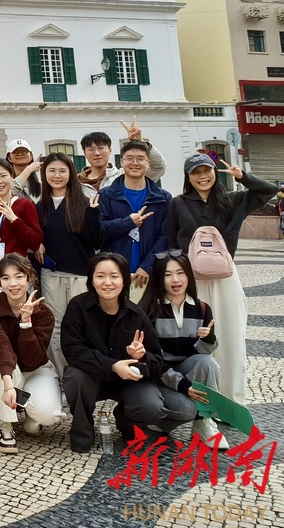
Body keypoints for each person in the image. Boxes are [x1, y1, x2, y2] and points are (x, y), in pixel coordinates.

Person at [165, 153, 278, 404]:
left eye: (207, 170)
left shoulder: (233, 200)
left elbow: (269, 190)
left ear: (215, 173)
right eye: (196, 172)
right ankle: (200, 399)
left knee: (230, 334)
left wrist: (242, 176)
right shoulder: (178, 203)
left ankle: (231, 399)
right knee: (197, 337)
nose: (202, 176)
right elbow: (171, 241)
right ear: (188, 178)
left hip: (226, 278)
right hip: (193, 279)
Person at [61, 252, 197, 452]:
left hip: (128, 381)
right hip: (92, 377)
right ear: (91, 279)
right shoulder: (78, 307)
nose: (108, 282)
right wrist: (113, 365)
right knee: (75, 377)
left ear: (124, 280)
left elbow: (157, 360)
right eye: (100, 276)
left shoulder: (136, 314)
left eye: (114, 276)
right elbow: (72, 349)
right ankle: (82, 431)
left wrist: (141, 356)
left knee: (152, 406)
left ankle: (125, 420)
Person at [0, 255, 62, 454]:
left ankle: (31, 419)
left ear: (29, 279)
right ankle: (5, 425)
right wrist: (7, 386)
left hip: (36, 369)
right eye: (5, 278)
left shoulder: (44, 314)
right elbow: (0, 344)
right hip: (4, 369)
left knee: (48, 414)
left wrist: (26, 323)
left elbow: (32, 359)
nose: (13, 284)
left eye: (19, 277)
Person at [139, 253, 228, 447]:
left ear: (189, 275)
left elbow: (202, 353)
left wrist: (209, 338)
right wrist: (183, 385)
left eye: (180, 273)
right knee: (186, 409)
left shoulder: (202, 308)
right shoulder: (148, 310)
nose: (175, 280)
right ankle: (162, 422)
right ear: (159, 278)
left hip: (185, 369)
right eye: (168, 274)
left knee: (209, 363)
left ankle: (204, 420)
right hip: (158, 377)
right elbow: (153, 361)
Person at [34, 153, 103, 378]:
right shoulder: (40, 205)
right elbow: (33, 234)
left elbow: (97, 242)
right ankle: (61, 375)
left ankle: (83, 374)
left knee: (80, 326)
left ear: (71, 173)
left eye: (62, 170)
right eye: (51, 171)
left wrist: (93, 215)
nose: (57, 175)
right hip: (51, 274)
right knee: (54, 327)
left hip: (80, 276)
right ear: (44, 175)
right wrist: (37, 242)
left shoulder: (84, 202)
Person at [98, 141, 172, 303]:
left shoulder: (162, 198)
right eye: (129, 158)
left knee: (148, 321)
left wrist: (147, 266)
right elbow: (99, 232)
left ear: (148, 163)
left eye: (140, 159)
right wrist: (127, 222)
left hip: (149, 273)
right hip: (114, 272)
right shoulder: (106, 195)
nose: (135, 163)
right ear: (122, 162)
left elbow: (165, 236)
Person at [0, 158, 42, 300]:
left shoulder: (25, 205)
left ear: (12, 176)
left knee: (21, 316)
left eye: (3, 175)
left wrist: (15, 220)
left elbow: (35, 242)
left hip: (18, 273)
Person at [78, 118, 166, 193]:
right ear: (84, 153)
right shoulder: (75, 183)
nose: (97, 153)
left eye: (101, 148)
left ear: (110, 150)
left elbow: (158, 168)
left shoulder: (125, 175)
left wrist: (141, 143)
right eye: (91, 149)